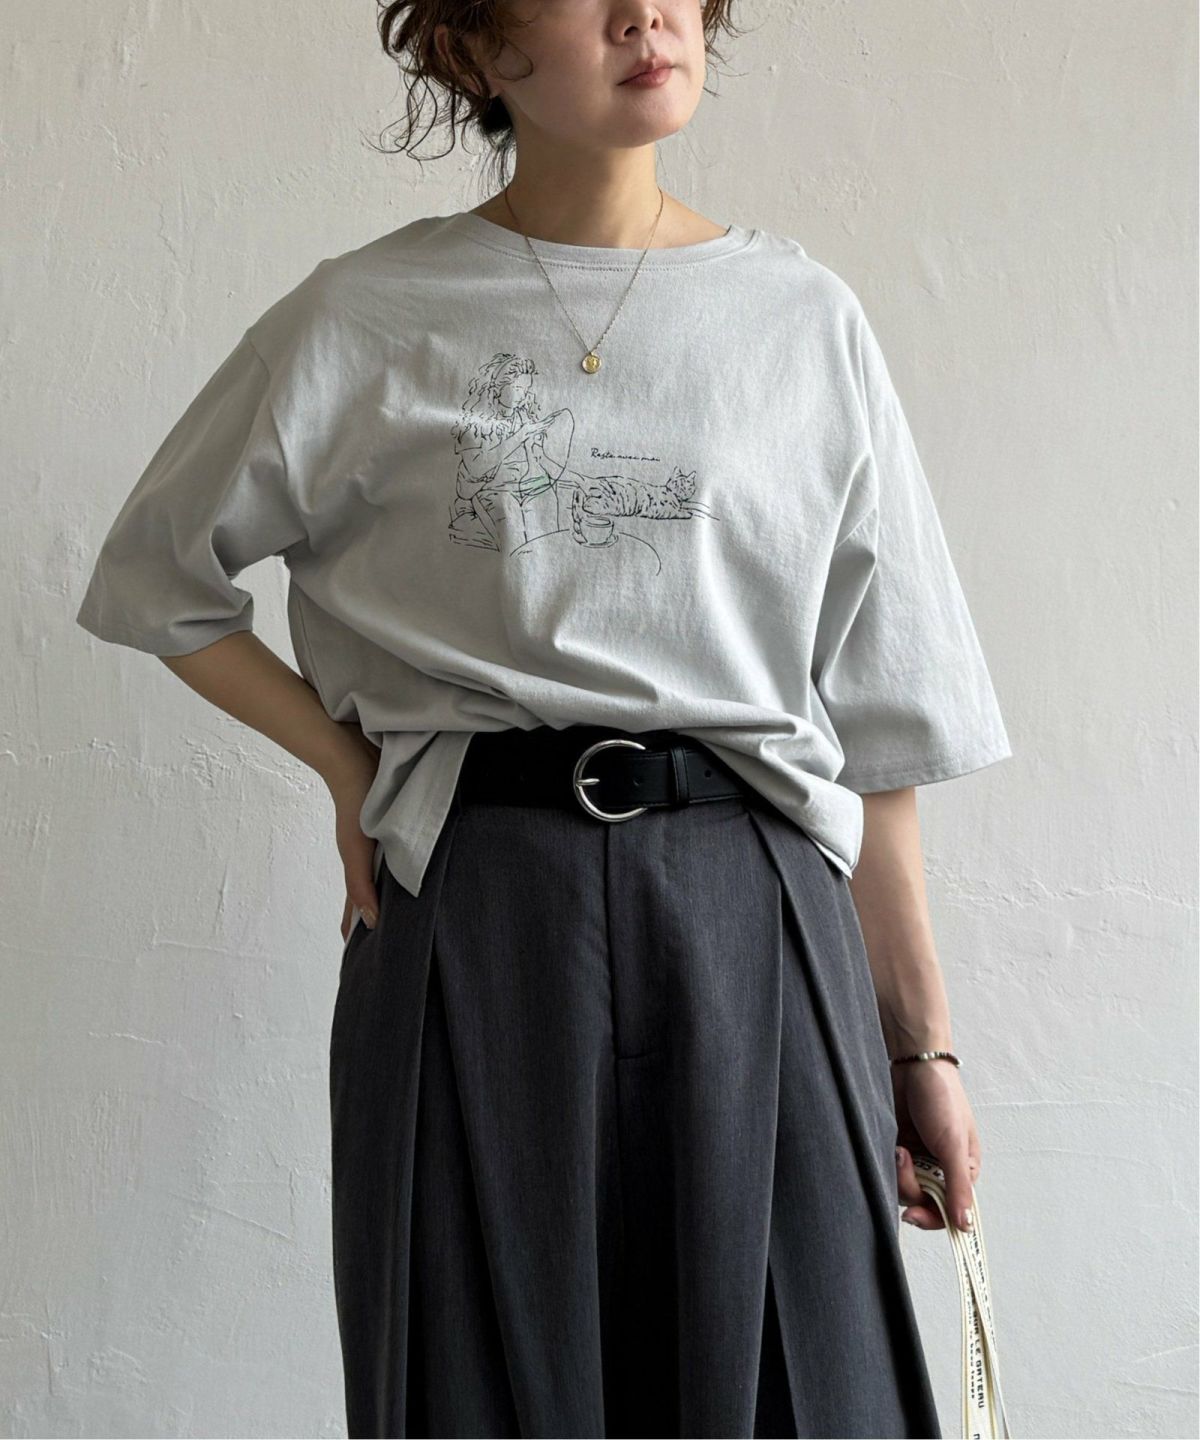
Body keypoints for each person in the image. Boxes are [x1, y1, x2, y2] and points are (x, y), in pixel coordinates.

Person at [74, 2, 1015, 1436]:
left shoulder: (801, 319)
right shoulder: (363, 315)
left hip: (753, 909)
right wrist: (343, 765)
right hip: (477, 903)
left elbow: (884, 722)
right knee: (476, 1381)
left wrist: (921, 1050)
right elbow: (158, 578)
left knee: (797, 1385)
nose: (648, 17)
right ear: (473, 46)